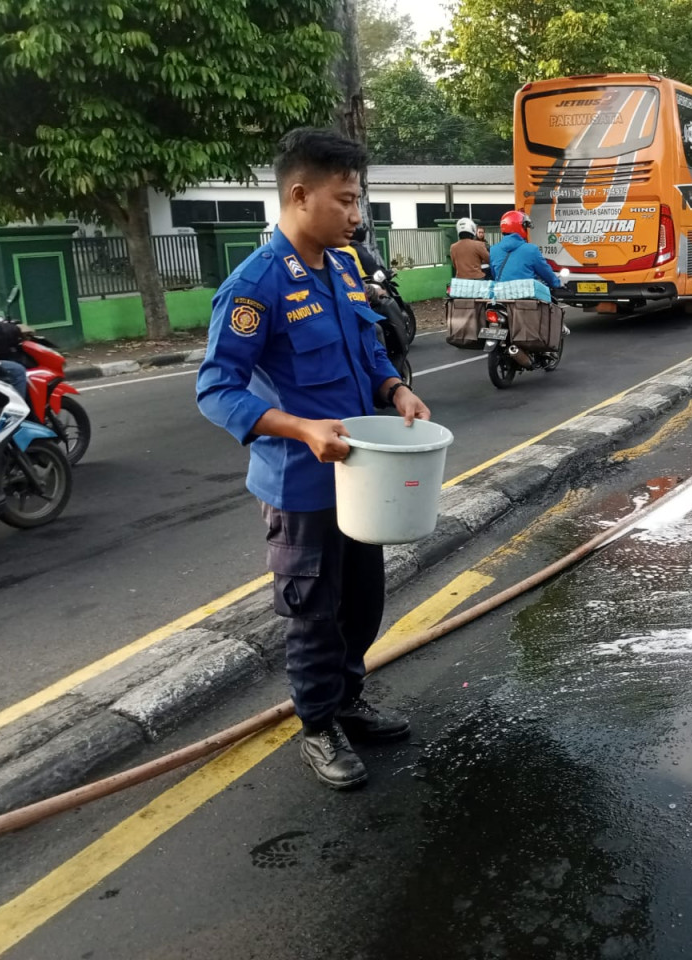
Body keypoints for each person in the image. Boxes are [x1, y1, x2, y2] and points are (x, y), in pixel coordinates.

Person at [196, 128, 430, 792]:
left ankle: (348, 699)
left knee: (362, 600)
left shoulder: (347, 268)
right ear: (300, 195)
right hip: (301, 482)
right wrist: (299, 429)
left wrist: (395, 388)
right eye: (346, 200)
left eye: (359, 201)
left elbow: (370, 350)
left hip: (362, 474)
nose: (357, 216)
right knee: (312, 608)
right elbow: (216, 388)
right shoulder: (256, 284)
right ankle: (318, 723)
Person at [489, 211, 559, 286]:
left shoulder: (493, 250)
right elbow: (546, 273)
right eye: (525, 227)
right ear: (520, 227)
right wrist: (556, 283)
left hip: (502, 294)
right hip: (527, 295)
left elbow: (495, 274)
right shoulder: (531, 249)